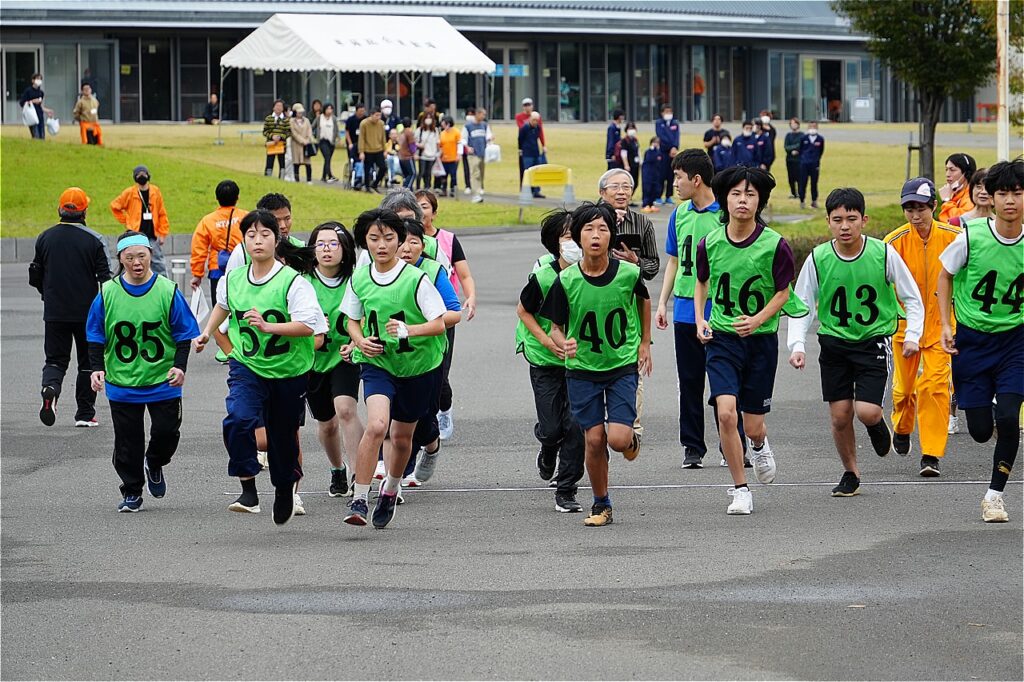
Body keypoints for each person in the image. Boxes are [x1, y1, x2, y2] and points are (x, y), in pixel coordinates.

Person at [788, 188, 924, 496]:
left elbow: (912, 297)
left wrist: (913, 335)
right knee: (839, 416)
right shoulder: (819, 258)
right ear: (828, 222)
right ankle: (851, 472)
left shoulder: (883, 253)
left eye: (851, 219)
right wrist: (797, 345)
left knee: (867, 412)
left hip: (871, 341)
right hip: (834, 344)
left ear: (864, 220)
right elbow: (802, 304)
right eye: (838, 220)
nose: (845, 226)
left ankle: (876, 425)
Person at [193, 210, 325, 525]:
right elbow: (223, 307)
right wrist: (208, 331)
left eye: (264, 234)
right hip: (248, 365)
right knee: (238, 418)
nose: (257, 240)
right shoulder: (233, 279)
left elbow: (310, 326)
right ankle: (248, 487)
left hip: (288, 371)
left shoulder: (293, 282)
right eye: (251, 235)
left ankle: (283, 488)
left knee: (282, 438)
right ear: (244, 240)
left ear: (276, 238)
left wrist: (269, 327)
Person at [540, 202, 652, 528]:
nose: (596, 235)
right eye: (588, 229)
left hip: (620, 366)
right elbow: (556, 328)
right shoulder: (568, 280)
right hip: (582, 369)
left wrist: (645, 343)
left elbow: (643, 301)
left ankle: (630, 439)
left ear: (610, 236)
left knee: (617, 439)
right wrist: (563, 344)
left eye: (603, 229)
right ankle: (601, 503)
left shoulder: (629, 274)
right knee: (593, 439)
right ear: (577, 238)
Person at [693, 167, 797, 515]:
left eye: (750, 195)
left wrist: (757, 320)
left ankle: (760, 443)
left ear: (759, 201)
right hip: (722, 339)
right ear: (725, 198)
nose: (743, 200)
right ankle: (740, 489)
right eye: (737, 194)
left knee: (753, 424)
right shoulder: (709, 243)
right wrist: (700, 318)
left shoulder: (775, 245)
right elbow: (702, 283)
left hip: (760, 341)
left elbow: (783, 293)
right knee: (725, 414)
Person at [339, 209, 448, 528]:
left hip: (418, 366)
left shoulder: (417, 279)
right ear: (365, 243)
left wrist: (408, 330)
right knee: (376, 426)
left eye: (388, 237)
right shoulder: (359, 278)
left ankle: (391, 488)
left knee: (402, 439)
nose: (382, 244)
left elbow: (439, 324)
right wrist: (359, 342)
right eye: (374, 238)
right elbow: (351, 320)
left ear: (401, 240)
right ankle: (359, 497)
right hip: (378, 364)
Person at [86, 232, 199, 512]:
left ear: (150, 255)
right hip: (122, 381)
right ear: (121, 259)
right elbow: (96, 334)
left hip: (163, 379)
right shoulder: (107, 293)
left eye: (142, 256)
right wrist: (97, 368)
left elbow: (184, 333)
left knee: (167, 433)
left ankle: (156, 461)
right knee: (127, 442)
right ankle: (132, 490)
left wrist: (180, 366)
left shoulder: (167, 290)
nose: (136, 262)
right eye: (129, 257)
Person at [937, 158, 1023, 523]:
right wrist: (944, 324)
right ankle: (982, 408)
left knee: (1008, 416)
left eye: (1017, 193)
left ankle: (994, 495)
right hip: (972, 341)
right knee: (979, 430)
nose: (1009, 201)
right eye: (1003, 193)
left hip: (1016, 340)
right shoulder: (971, 235)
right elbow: (944, 276)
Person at [655, 149, 742, 469]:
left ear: (696, 179)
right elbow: (674, 261)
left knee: (726, 382)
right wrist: (662, 303)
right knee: (689, 381)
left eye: (678, 177)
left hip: (719, 309)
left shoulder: (726, 213)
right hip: (684, 310)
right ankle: (692, 446)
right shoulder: (680, 214)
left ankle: (732, 443)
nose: (674, 183)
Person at [884, 177, 961, 477]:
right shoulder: (893, 242)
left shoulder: (954, 238)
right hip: (905, 328)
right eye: (909, 209)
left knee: (935, 386)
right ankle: (902, 427)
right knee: (903, 390)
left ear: (933, 207)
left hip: (943, 327)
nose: (916, 216)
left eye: (921, 208)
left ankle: (931, 454)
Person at [515, 209, 585, 513]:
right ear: (555, 243)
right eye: (568, 236)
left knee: (577, 423)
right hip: (544, 358)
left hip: (582, 362)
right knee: (554, 426)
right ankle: (547, 444)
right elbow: (523, 311)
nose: (575, 242)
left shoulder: (595, 272)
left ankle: (567, 487)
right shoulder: (543, 276)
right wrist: (546, 341)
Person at [30, 187, 110, 428]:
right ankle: (85, 413)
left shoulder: (45, 237)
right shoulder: (94, 240)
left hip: (55, 310)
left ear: (60, 209)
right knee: (87, 362)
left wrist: (47, 294)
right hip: (87, 312)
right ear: (85, 211)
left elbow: (35, 275)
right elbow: (105, 280)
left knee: (55, 359)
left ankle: (51, 389)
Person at [397, 219, 463, 484]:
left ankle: (432, 446)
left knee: (423, 415)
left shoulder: (433, 271)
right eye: (401, 241)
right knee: (389, 416)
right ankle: (395, 473)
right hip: (391, 355)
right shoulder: (376, 273)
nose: (406, 247)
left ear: (422, 246)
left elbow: (454, 312)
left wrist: (419, 327)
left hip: (428, 352)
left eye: (413, 241)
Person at [304, 222, 363, 498]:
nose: (327, 249)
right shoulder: (302, 282)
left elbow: (367, 315)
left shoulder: (356, 279)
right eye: (320, 244)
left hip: (345, 356)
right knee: (327, 424)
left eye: (333, 243)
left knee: (346, 410)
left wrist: (356, 342)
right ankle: (337, 469)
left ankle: (357, 474)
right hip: (312, 359)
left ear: (345, 248)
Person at [415, 189, 477, 441]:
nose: (420, 212)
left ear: (434, 211)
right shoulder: (400, 241)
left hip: (442, 312)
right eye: (415, 206)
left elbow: (464, 274)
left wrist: (470, 297)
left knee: (440, 372)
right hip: (413, 313)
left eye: (425, 206)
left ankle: (444, 409)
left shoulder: (448, 240)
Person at [189, 179, 245, 301]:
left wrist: (197, 274)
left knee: (219, 305)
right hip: (242, 267)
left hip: (217, 268)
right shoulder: (246, 217)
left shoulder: (208, 220)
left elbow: (199, 248)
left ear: (217, 198)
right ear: (237, 197)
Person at [110, 165, 169, 275]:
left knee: (158, 264)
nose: (141, 177)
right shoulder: (129, 192)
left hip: (152, 236)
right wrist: (126, 220)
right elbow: (115, 206)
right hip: (134, 235)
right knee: (130, 262)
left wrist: (162, 233)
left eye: (144, 174)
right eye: (138, 175)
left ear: (148, 176)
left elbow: (162, 213)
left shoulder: (155, 191)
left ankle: (163, 288)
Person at [938, 153, 977, 223]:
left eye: (952, 170)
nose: (947, 174)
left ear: (967, 173)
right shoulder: (954, 193)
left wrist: (946, 201)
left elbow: (957, 222)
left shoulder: (971, 197)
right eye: (946, 170)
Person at [516, 98, 547, 185]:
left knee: (536, 168)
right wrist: (520, 148)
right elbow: (521, 130)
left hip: (534, 145)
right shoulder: (520, 117)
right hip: (525, 145)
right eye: (525, 105)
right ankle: (525, 188)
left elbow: (540, 132)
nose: (528, 107)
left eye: (529, 105)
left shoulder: (537, 118)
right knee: (525, 168)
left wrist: (543, 144)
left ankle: (536, 190)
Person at [462, 106, 490, 203]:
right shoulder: (468, 126)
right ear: (477, 114)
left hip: (482, 152)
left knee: (481, 172)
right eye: (483, 114)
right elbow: (463, 139)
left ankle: (480, 187)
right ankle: (476, 194)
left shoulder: (485, 125)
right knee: (475, 173)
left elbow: (488, 136)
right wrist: (467, 147)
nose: (484, 116)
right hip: (473, 153)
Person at [654, 103, 680, 204]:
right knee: (661, 175)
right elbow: (661, 136)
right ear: (662, 113)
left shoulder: (675, 123)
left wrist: (675, 147)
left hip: (673, 153)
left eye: (670, 112)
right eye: (666, 112)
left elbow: (677, 137)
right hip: (663, 152)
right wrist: (670, 147)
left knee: (671, 175)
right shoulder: (659, 123)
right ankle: (658, 196)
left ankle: (669, 196)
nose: (668, 114)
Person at [359, 107, 388, 193]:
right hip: (368, 150)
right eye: (376, 115)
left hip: (378, 150)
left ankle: (375, 184)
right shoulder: (364, 123)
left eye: (379, 115)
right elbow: (361, 138)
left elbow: (383, 138)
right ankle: (367, 187)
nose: (378, 117)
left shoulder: (381, 124)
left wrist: (385, 150)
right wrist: (361, 151)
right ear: (371, 115)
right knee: (367, 170)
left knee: (383, 168)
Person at [798, 121, 825, 208]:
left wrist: (816, 159)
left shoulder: (820, 139)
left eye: (814, 127)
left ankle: (814, 201)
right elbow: (800, 150)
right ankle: (802, 201)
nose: (812, 128)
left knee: (814, 183)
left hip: (814, 164)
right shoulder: (803, 138)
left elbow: (821, 151)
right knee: (802, 183)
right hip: (804, 164)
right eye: (811, 127)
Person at [18, 73, 53, 140]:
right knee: (35, 136)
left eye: (40, 79)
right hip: (32, 116)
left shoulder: (41, 92)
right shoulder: (28, 91)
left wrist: (47, 111)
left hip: (40, 116)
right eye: (37, 79)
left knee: (42, 136)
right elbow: (22, 103)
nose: (39, 80)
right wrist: (32, 101)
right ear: (33, 80)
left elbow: (40, 106)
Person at [519, 112, 545, 198]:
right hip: (527, 153)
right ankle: (527, 190)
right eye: (534, 120)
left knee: (537, 172)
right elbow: (520, 139)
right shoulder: (524, 128)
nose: (535, 122)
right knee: (527, 172)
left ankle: (536, 190)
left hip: (535, 152)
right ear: (530, 119)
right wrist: (521, 150)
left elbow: (538, 137)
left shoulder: (538, 128)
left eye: (537, 120)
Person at [262, 100, 290, 179]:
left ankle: (282, 178)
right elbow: (265, 132)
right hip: (271, 144)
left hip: (281, 145)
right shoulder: (269, 118)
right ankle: (267, 178)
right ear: (273, 107)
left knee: (282, 163)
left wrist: (280, 137)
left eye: (280, 106)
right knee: (269, 163)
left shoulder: (285, 120)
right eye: (277, 106)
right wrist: (272, 136)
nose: (278, 108)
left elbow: (288, 132)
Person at [288, 103, 314, 185]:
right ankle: (297, 179)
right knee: (296, 163)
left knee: (308, 163)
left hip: (306, 145)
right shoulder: (291, 121)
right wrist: (302, 140)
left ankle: (309, 179)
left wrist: (307, 139)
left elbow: (309, 130)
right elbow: (293, 133)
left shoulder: (306, 120)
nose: (300, 114)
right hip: (296, 145)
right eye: (298, 112)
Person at [415, 113, 440, 191]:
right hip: (422, 155)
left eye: (430, 118)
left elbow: (437, 142)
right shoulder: (420, 130)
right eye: (427, 118)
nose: (428, 119)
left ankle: (427, 188)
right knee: (421, 172)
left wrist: (437, 153)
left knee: (428, 173)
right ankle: (418, 188)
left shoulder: (435, 130)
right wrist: (419, 145)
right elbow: (414, 142)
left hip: (432, 155)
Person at [344, 102, 367, 188]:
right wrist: (350, 143)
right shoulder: (351, 120)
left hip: (363, 144)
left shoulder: (365, 119)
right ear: (356, 111)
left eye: (363, 111)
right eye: (360, 111)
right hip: (353, 143)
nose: (362, 112)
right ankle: (355, 175)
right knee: (353, 159)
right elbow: (347, 132)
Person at [316, 103, 340, 183]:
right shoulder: (320, 118)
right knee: (327, 157)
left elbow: (336, 129)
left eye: (331, 109)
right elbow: (312, 126)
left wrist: (338, 138)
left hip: (331, 141)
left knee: (328, 159)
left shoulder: (333, 118)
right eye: (328, 109)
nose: (329, 111)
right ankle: (329, 175)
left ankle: (325, 176)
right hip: (322, 140)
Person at [438, 116, 461, 197]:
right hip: (444, 158)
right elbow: (440, 145)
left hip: (453, 158)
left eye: (443, 122)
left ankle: (453, 190)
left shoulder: (456, 132)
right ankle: (444, 190)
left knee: (453, 175)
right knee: (444, 175)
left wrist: (458, 154)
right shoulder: (442, 133)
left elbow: (459, 144)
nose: (442, 124)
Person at [640, 136, 663, 213]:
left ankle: (651, 204)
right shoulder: (648, 152)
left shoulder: (659, 152)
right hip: (648, 173)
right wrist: (652, 149)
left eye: (658, 142)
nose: (656, 144)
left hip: (655, 173)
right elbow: (649, 159)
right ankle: (645, 204)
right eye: (655, 142)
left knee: (654, 188)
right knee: (647, 188)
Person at [783, 118, 802, 199]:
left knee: (799, 177)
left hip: (799, 160)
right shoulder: (788, 135)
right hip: (790, 160)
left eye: (795, 123)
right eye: (791, 123)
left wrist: (796, 149)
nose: (793, 125)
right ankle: (793, 193)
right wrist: (792, 150)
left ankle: (800, 193)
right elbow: (786, 147)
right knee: (791, 177)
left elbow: (801, 145)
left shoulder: (802, 135)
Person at [397, 116, 417, 189]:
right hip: (408, 157)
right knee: (413, 174)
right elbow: (412, 145)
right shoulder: (409, 132)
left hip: (401, 157)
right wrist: (414, 153)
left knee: (406, 175)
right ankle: (406, 189)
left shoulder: (402, 132)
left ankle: (409, 189)